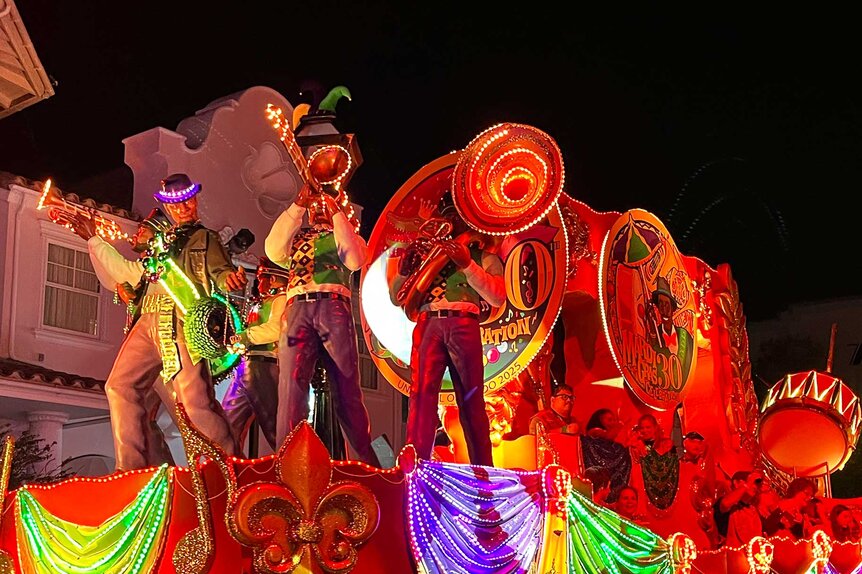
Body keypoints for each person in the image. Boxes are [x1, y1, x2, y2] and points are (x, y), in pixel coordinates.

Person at [103, 173, 246, 470]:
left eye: (187, 201)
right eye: (176, 203)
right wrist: (127, 293)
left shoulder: (205, 237)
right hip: (146, 320)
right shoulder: (159, 245)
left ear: (195, 200)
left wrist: (229, 280)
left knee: (194, 403)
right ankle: (131, 467)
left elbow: (221, 271)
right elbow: (146, 281)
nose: (183, 207)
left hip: (179, 318)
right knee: (119, 386)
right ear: (168, 207)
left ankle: (230, 466)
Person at [264, 148, 379, 467]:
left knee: (346, 386)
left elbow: (354, 259)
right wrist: (297, 205)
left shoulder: (347, 235)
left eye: (320, 204)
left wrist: (338, 211)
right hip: (297, 306)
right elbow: (273, 250)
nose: (317, 208)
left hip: (333, 307)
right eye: (316, 205)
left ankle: (364, 461)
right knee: (290, 387)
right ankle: (287, 460)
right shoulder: (297, 236)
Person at [389, 195, 506, 467]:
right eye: (447, 215)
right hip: (428, 322)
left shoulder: (483, 257)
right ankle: (415, 463)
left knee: (471, 398)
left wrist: (467, 264)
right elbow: (398, 296)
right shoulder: (423, 254)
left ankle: (483, 468)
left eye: (456, 216)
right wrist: (406, 271)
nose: (450, 222)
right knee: (421, 396)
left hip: (463, 322)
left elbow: (498, 296)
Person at [69, 208, 179, 467]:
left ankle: (212, 466)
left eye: (144, 229)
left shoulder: (160, 264)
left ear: (158, 236)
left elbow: (122, 271)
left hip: (164, 347)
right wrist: (91, 242)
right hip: (147, 350)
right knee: (140, 412)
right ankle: (157, 470)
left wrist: (95, 239)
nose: (138, 232)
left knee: (183, 410)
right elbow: (111, 277)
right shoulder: (143, 268)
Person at [221, 256, 287, 453]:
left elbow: (275, 330)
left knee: (273, 425)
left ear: (273, 279)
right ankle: (227, 468)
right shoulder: (261, 303)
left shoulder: (281, 300)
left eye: (261, 278)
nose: (258, 283)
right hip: (245, 366)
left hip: (264, 367)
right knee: (226, 424)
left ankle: (291, 467)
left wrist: (244, 337)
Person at [581, 408, 632, 502]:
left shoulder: (613, 446)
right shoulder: (594, 431)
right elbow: (608, 436)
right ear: (599, 420)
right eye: (609, 420)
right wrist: (621, 424)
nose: (612, 423)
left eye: (613, 420)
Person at [713, 469, 763, 547]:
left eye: (755, 484)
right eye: (748, 481)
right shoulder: (730, 502)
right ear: (736, 483)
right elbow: (725, 504)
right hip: (726, 554)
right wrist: (748, 484)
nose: (754, 486)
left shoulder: (753, 511)